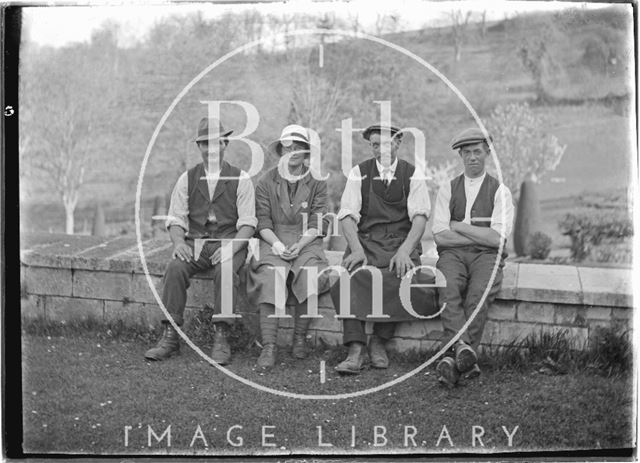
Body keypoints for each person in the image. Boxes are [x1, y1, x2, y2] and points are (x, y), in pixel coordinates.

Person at [144, 117, 257, 364]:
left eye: (216, 143)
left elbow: (248, 224)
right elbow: (175, 219)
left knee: (226, 271)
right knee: (174, 268)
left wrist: (231, 249)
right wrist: (179, 243)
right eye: (205, 143)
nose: (211, 148)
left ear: (225, 143)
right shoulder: (187, 178)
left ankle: (222, 335)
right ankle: (170, 335)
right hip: (196, 243)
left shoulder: (241, 179)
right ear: (200, 147)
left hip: (231, 242)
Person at [331, 124, 438, 375]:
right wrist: (356, 249)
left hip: (401, 243)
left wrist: (404, 251)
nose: (380, 149)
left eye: (386, 144)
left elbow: (420, 218)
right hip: (366, 242)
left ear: (398, 143)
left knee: (400, 276)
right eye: (375, 144)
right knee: (349, 277)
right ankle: (355, 348)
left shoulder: (412, 175)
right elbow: (346, 216)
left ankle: (379, 340)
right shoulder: (359, 172)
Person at [431, 127, 514, 387]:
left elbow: (497, 240)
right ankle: (464, 354)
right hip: (453, 255)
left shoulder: (500, 191)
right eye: (467, 153)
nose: (472, 157)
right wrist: (480, 234)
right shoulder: (448, 188)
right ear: (461, 156)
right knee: (448, 287)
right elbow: (440, 237)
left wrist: (460, 226)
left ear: (487, 153)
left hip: (487, 257)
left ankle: (451, 356)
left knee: (478, 293)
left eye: (477, 152)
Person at [246, 125, 333, 369]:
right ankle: (270, 345)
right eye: (288, 148)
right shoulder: (265, 181)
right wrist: (275, 244)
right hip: (273, 238)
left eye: (298, 148)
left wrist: (301, 244)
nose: (292, 152)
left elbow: (319, 218)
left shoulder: (317, 181)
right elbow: (262, 221)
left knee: (310, 273)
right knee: (269, 275)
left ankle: (299, 338)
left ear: (306, 152)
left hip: (307, 239)